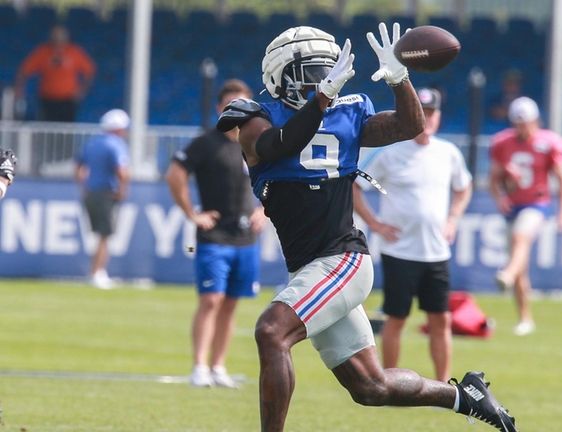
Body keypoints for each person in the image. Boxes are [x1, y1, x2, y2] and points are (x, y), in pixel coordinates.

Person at [216, 23, 516, 431]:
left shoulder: (345, 112)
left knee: (271, 331)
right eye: (311, 72)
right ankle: (465, 395)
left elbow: (409, 126)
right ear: (279, 74)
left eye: (326, 71)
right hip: (308, 267)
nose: (322, 80)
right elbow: (279, 145)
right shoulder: (255, 119)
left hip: (342, 259)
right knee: (370, 386)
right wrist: (321, 100)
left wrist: (400, 79)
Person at [352, 87, 472, 382]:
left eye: (431, 113)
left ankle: (444, 385)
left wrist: (454, 218)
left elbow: (463, 186)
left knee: (440, 319)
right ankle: (389, 381)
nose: (427, 119)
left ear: (439, 117)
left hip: (435, 251)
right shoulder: (391, 153)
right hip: (400, 251)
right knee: (396, 318)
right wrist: (375, 223)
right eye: (422, 113)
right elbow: (355, 186)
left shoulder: (448, 153)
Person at [166, 79, 266, 388]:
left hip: (246, 238)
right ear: (219, 108)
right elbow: (175, 174)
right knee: (211, 300)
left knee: (232, 303)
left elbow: (275, 180)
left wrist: (264, 209)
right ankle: (199, 367)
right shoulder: (206, 142)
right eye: (230, 105)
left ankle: (219, 366)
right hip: (214, 237)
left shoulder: (258, 142)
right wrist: (192, 214)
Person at [489, 96, 562, 336]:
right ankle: (525, 318)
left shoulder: (549, 143)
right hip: (513, 204)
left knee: (519, 238)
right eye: (518, 123)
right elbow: (493, 180)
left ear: (536, 121)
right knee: (521, 267)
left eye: (526, 122)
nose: (522, 128)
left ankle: (507, 273)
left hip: (537, 203)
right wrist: (500, 197)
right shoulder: (503, 142)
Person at [75, 109, 130, 289]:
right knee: (104, 236)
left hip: (91, 193)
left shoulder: (92, 143)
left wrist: (84, 188)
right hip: (106, 193)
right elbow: (121, 171)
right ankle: (98, 273)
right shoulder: (115, 145)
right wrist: (122, 191)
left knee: (99, 235)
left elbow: (79, 169)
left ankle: (94, 271)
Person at [15, 24, 95, 122]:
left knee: (66, 130)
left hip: (68, 100)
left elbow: (90, 71)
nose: (58, 40)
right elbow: (24, 70)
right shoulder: (42, 52)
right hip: (47, 99)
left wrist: (82, 91)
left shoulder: (75, 52)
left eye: (61, 37)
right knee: (46, 129)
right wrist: (20, 89)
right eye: (55, 37)